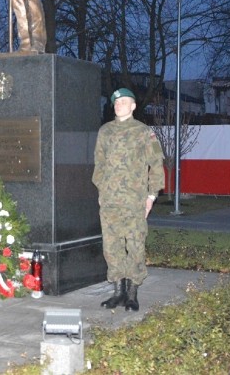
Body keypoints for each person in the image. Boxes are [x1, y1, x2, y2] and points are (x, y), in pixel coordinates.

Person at [91, 88, 164, 311]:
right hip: (110, 200)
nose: (118, 104)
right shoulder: (105, 131)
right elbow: (99, 164)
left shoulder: (143, 132)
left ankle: (132, 293)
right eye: (116, 102)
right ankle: (117, 291)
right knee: (111, 246)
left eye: (124, 101)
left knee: (134, 245)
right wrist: (102, 190)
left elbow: (157, 165)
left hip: (134, 201)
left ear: (133, 106)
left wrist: (151, 196)